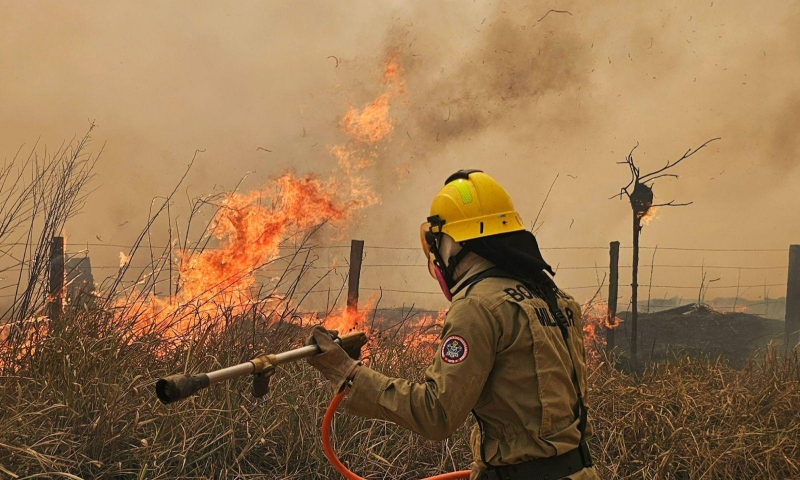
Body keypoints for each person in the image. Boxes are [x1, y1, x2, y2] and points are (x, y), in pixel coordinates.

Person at [306, 170, 599, 480]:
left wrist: (346, 373)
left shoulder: (479, 306)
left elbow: (436, 413)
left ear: (453, 244)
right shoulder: (556, 297)